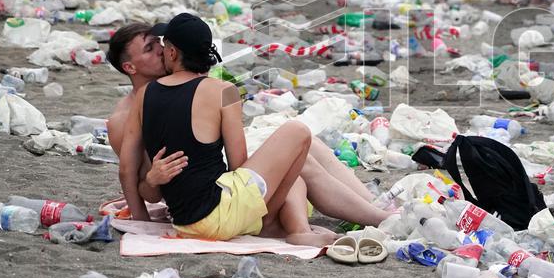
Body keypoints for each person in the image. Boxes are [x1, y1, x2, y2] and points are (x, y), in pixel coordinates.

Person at [106, 23, 389, 229]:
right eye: (150, 48)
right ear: (131, 68)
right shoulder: (127, 114)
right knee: (301, 151)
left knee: (309, 144)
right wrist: (142, 225)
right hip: (205, 202)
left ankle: (375, 207)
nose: (159, 51)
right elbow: (141, 180)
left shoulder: (160, 92)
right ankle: (377, 219)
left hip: (209, 188)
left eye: (161, 46)